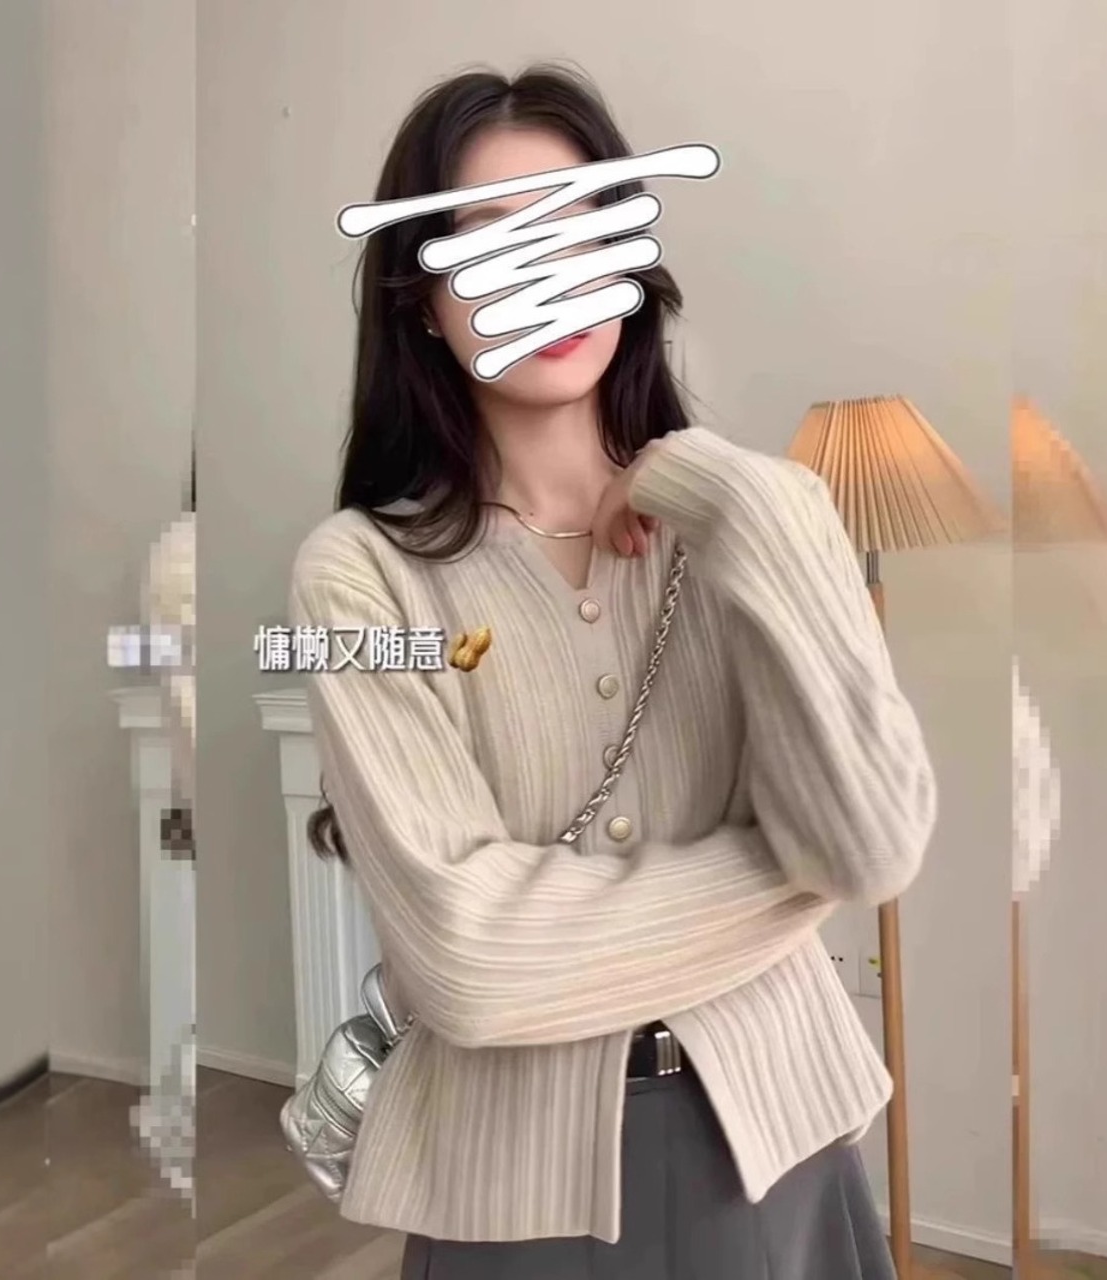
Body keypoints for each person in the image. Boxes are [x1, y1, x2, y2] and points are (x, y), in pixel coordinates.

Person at [291, 64, 937, 1280]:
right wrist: (791, 874)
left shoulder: (745, 523)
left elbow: (872, 842)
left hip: (777, 1143)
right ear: (421, 299)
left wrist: (730, 490)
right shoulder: (356, 577)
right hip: (506, 1189)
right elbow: (467, 963)